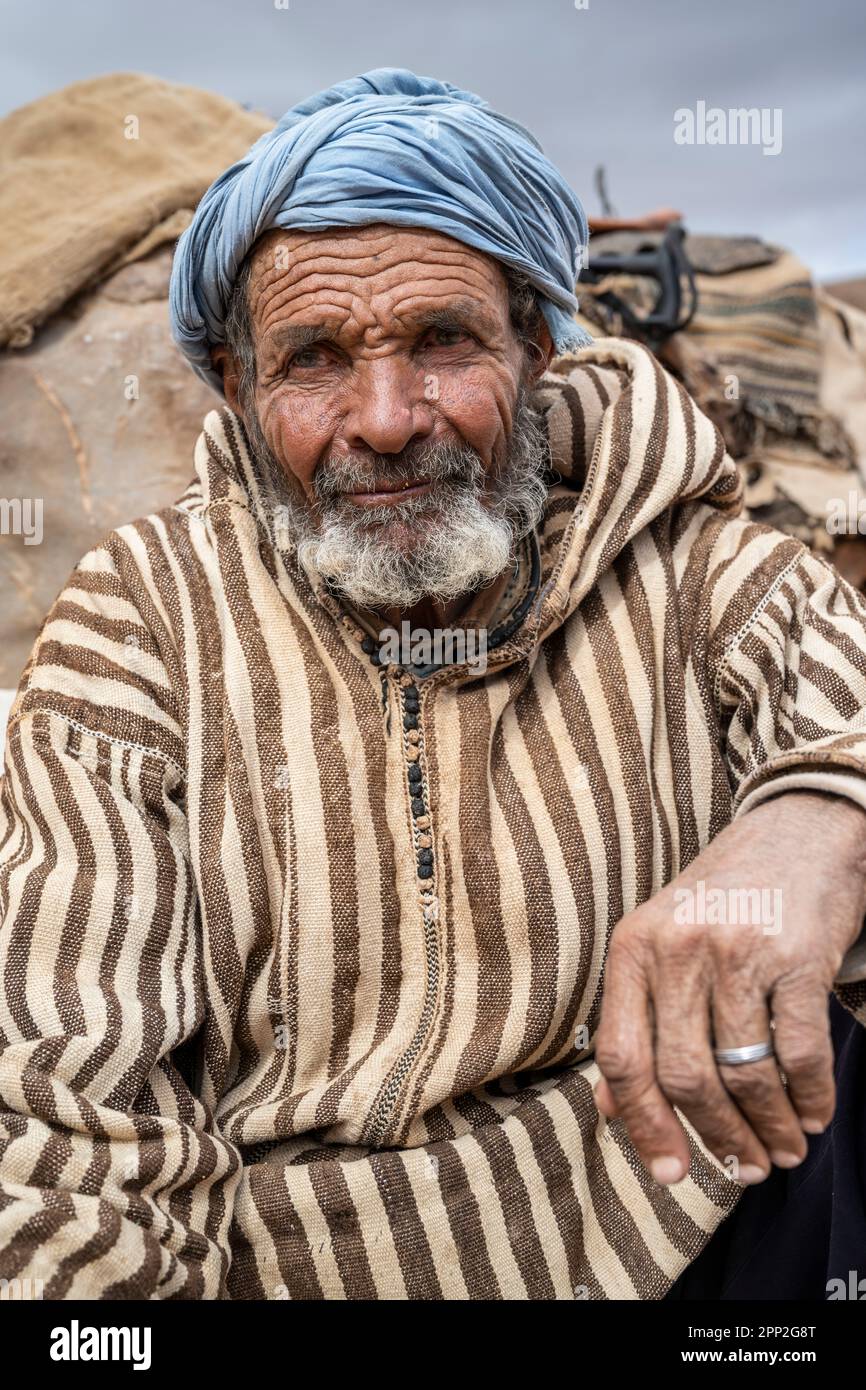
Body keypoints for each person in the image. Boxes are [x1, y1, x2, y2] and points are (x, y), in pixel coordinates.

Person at [1, 68, 865, 1301]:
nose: (389, 417)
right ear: (239, 393)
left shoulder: (683, 560)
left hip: (692, 1219)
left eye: (442, 341)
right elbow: (65, 1115)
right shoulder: (141, 628)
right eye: (312, 360)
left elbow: (838, 682)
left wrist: (809, 826)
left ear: (537, 341)